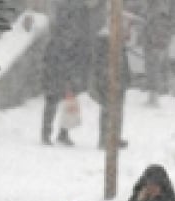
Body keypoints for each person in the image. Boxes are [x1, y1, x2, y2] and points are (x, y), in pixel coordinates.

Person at [39, 0, 95, 146]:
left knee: (64, 100)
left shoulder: (64, 36)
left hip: (63, 68)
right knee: (57, 100)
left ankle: (57, 133)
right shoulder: (67, 35)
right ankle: (53, 133)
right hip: (61, 68)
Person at [90, 27, 131, 149]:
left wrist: (126, 77)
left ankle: (114, 137)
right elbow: (101, 65)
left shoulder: (116, 44)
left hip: (117, 81)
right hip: (109, 82)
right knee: (108, 111)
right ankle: (105, 139)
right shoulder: (106, 45)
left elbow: (124, 62)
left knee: (116, 112)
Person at [141, 0, 173, 106]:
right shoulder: (151, 9)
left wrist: (159, 46)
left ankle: (155, 99)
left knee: (154, 71)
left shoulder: (159, 10)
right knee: (151, 71)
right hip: (151, 45)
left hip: (155, 46)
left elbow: (161, 29)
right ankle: (153, 98)